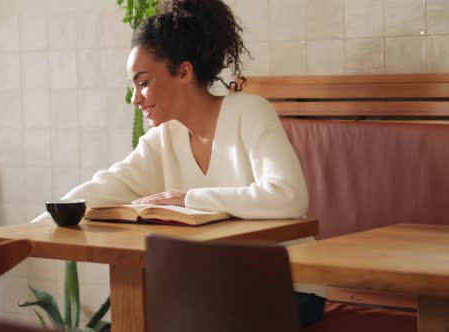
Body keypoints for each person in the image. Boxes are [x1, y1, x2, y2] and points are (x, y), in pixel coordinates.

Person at [35, 0, 324, 327]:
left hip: (289, 289)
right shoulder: (162, 139)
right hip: (213, 290)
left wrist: (188, 198)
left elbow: (288, 197)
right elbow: (105, 187)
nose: (136, 98)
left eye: (143, 82)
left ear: (184, 72)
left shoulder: (249, 112)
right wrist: (30, 229)